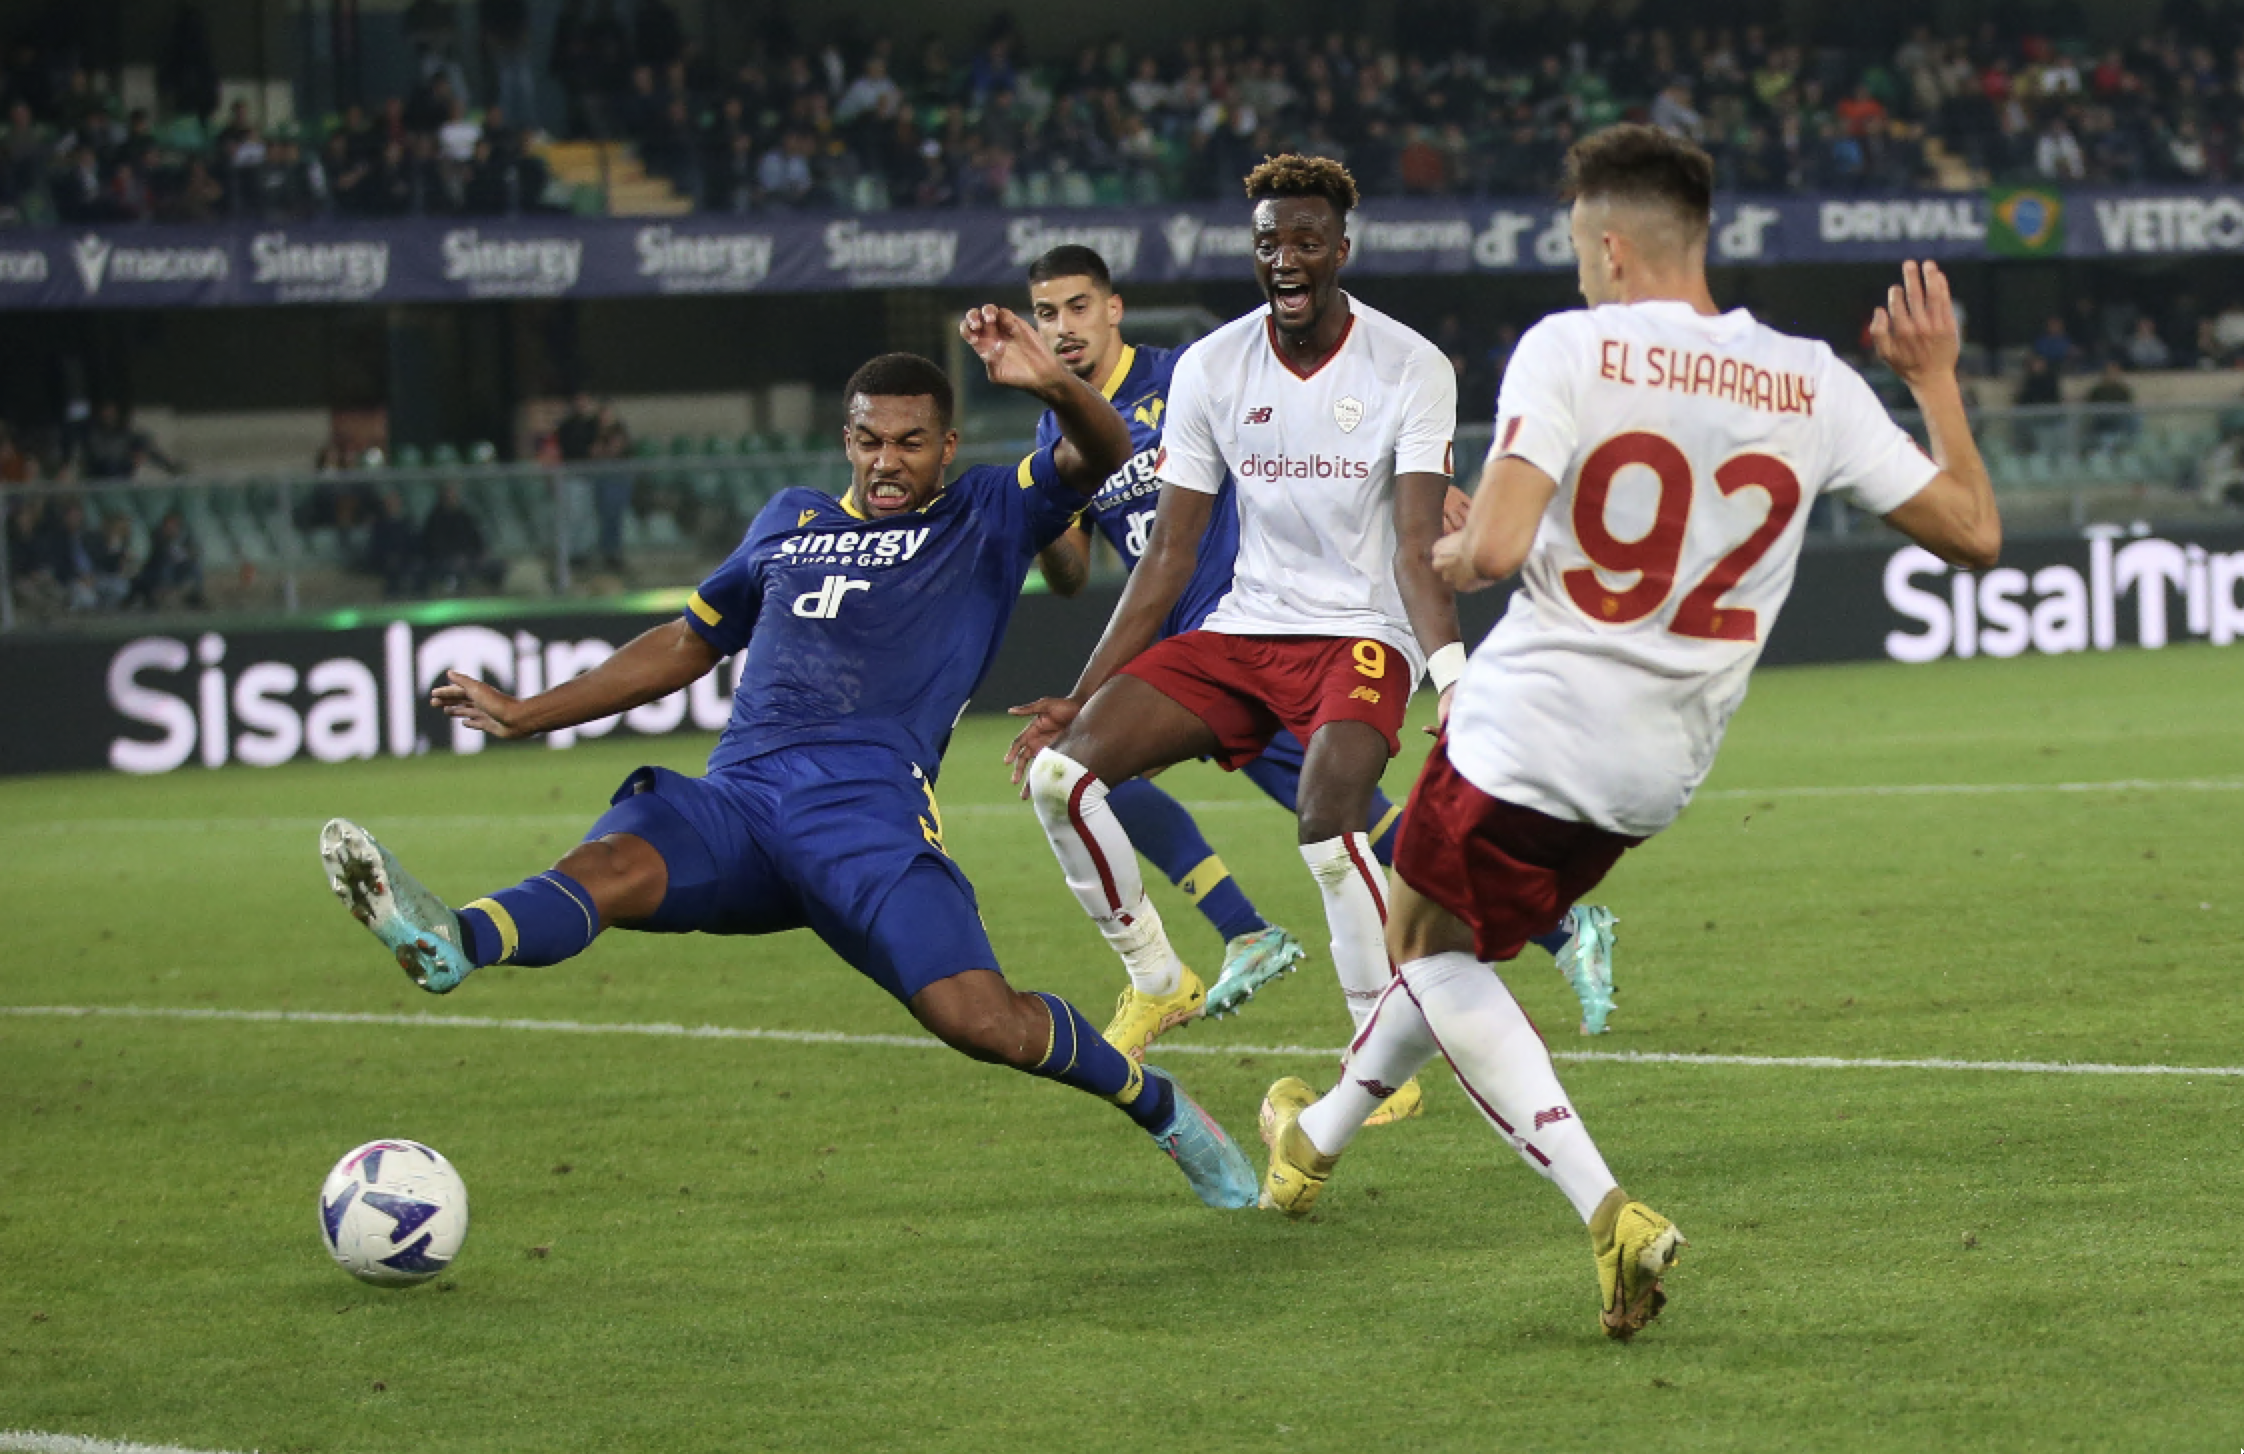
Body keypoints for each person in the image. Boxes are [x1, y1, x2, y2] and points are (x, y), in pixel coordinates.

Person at [1257, 123, 2000, 1341]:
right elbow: (1974, 530)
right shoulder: (1810, 378)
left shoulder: (1572, 348)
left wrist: (1447, 544)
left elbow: (1489, 551)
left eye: (1576, 249)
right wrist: (1932, 379)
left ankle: (1609, 1210)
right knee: (1449, 939)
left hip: (1523, 732)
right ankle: (1316, 1140)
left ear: (1608, 246)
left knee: (1427, 952)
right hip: (1659, 768)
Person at [317, 331, 1263, 1211]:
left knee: (982, 1021)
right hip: (740, 799)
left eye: (909, 441)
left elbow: (1095, 456)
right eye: (867, 440)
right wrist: (529, 714)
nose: (887, 460)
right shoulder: (788, 520)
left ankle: (1156, 1104)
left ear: (946, 445)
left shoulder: (984, 511)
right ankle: (457, 938)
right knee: (608, 864)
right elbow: (687, 642)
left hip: (868, 816)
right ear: (845, 441)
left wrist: (1056, 381)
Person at [1021, 243, 1623, 1062]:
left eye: (1078, 307)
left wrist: (1417, 487)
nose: (1063, 328)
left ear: (1114, 308)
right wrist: (1043, 515)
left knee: (1346, 826)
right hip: (1193, 641)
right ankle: (1264, 940)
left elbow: (1310, 446)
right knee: (1099, 778)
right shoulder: (1061, 431)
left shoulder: (1189, 371)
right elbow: (1071, 573)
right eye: (1047, 314)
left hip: (1274, 623)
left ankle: (1305, 958)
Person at [1004, 155, 1467, 1126]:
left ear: (1342, 247)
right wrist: (1081, 697)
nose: (1286, 258)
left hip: (1361, 631)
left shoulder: (1412, 364)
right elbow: (1168, 553)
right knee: (1062, 775)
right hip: (1242, 628)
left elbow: (1420, 544)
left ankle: (1380, 1067)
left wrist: (1455, 683)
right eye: (1269, 242)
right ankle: (1158, 970)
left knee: (1331, 819)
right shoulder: (1213, 365)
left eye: (1305, 240)